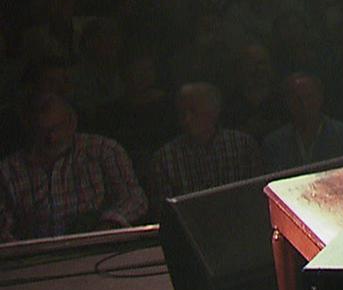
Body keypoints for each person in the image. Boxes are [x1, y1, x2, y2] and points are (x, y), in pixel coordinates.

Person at [0, 92, 147, 241]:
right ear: (29, 127)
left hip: (99, 253)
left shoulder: (103, 151)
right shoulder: (9, 171)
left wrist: (109, 223)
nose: (52, 138)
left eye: (56, 129)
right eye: (43, 132)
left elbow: (135, 198)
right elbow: (4, 226)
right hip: (36, 259)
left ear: (72, 121)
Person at [150, 82, 264, 199]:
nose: (187, 119)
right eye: (182, 113)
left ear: (214, 110)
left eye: (193, 111)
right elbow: (164, 211)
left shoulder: (243, 146)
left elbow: (258, 195)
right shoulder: (165, 159)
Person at [262, 73, 343, 171]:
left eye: (308, 97)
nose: (304, 104)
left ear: (320, 97)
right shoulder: (275, 144)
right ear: (287, 102)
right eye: (297, 99)